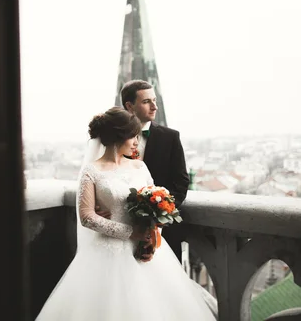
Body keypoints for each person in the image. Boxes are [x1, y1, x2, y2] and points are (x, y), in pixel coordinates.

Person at [35, 107, 216, 321]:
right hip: (107, 253)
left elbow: (157, 203)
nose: (136, 142)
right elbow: (86, 217)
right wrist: (131, 233)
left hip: (145, 249)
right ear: (120, 136)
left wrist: (151, 236)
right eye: (134, 136)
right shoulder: (91, 171)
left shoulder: (140, 167)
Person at [120, 79, 189, 263]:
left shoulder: (170, 137)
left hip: (163, 232)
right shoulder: (114, 138)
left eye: (155, 100)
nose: (154, 107)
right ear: (130, 106)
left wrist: (157, 218)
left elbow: (181, 183)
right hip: (121, 229)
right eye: (146, 102)